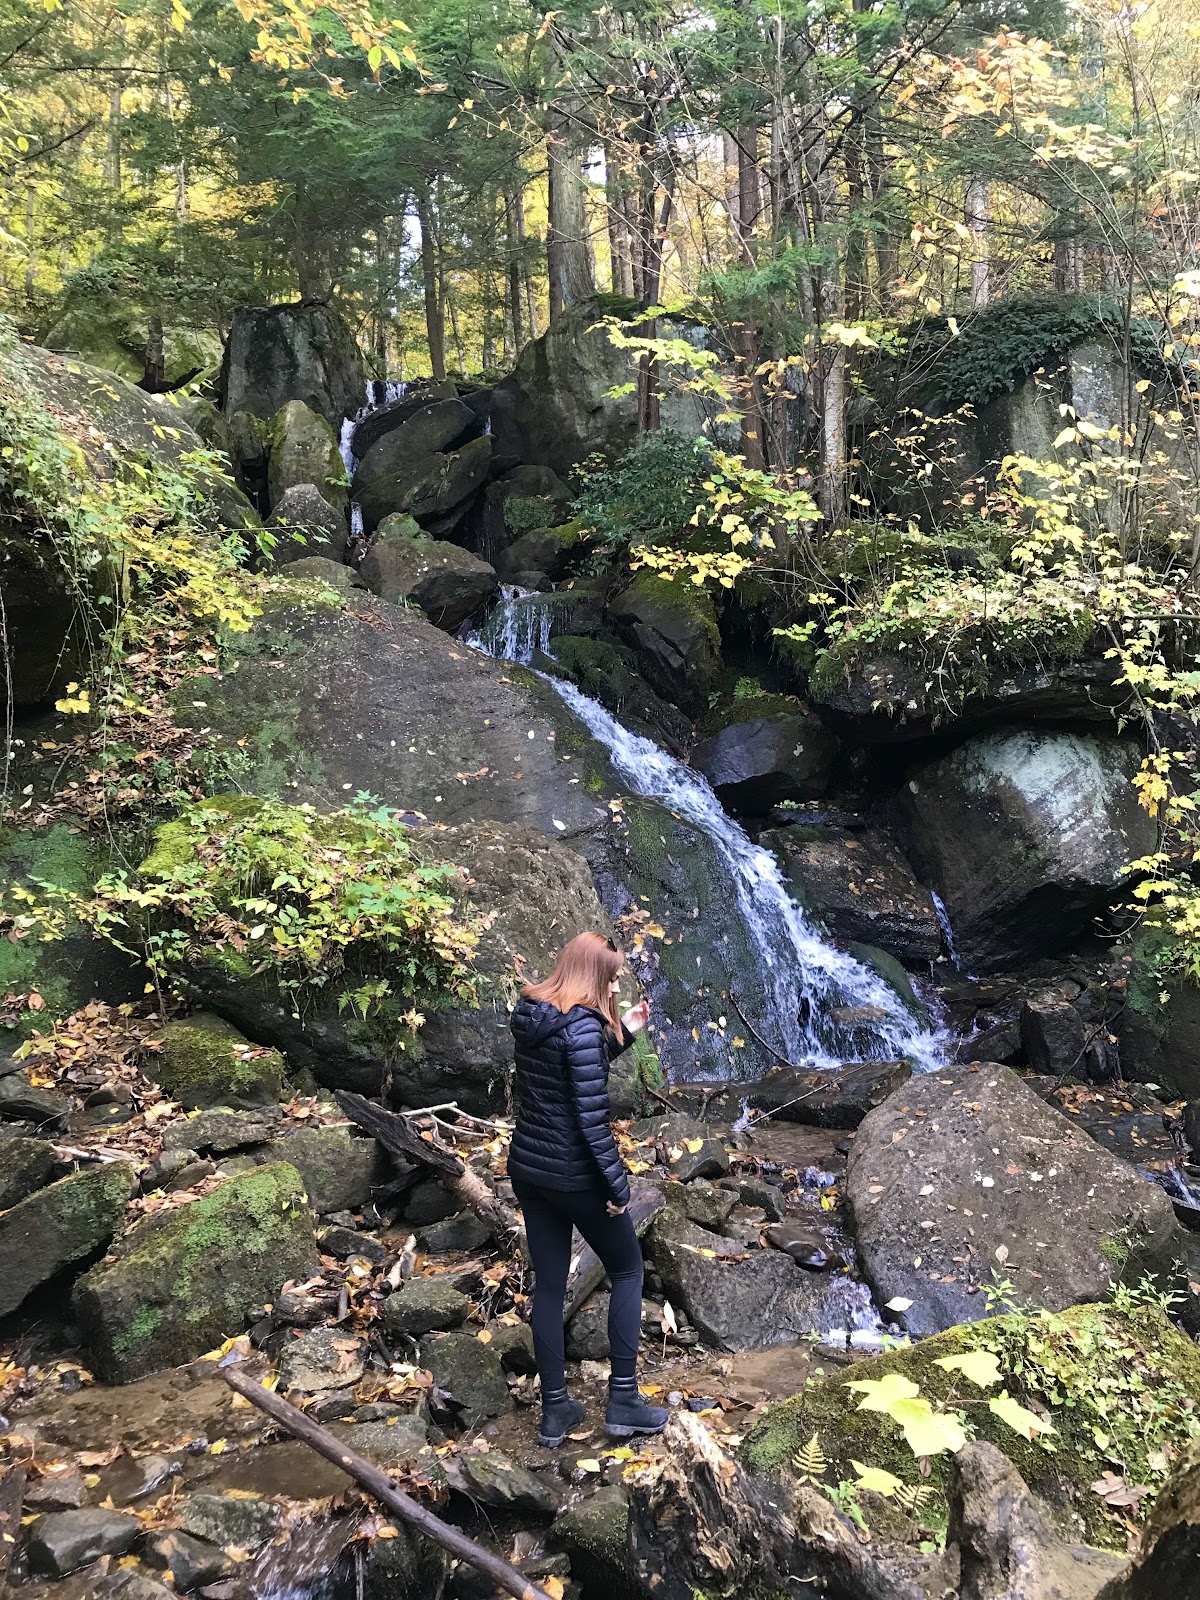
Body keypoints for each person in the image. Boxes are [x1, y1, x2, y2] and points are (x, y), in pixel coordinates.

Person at [508, 930, 669, 1449]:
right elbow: (592, 1122)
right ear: (593, 975)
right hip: (576, 1175)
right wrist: (619, 1189)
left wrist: (625, 1028)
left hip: (531, 1172)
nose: (619, 979)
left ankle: (555, 1411)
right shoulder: (579, 1027)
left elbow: (576, 1062)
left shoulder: (534, 1013)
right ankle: (623, 1399)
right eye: (614, 974)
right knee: (626, 1267)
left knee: (550, 1287)